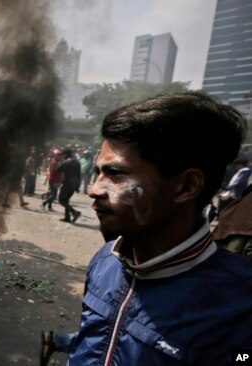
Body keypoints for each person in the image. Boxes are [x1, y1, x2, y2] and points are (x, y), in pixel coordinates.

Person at [41, 93, 252, 366]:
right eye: (98, 173)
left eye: (116, 173)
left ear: (186, 187)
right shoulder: (104, 261)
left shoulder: (241, 306)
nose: (94, 189)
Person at [55, 148, 81, 223]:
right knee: (66, 201)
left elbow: (58, 169)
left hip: (67, 184)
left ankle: (75, 212)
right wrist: (77, 186)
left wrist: (60, 162)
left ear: (65, 155)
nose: (62, 156)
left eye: (63, 155)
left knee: (61, 200)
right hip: (74, 185)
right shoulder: (77, 162)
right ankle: (67, 217)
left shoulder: (67, 162)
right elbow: (79, 175)